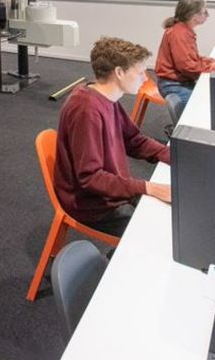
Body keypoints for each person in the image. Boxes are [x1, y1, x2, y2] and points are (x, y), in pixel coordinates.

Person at [55, 37, 172, 238]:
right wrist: (146, 187)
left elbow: (134, 140)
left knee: (172, 214)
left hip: (112, 191)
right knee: (162, 235)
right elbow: (90, 178)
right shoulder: (86, 110)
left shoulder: (108, 99)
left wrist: (174, 155)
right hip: (93, 204)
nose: (145, 78)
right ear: (119, 72)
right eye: (140, 71)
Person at [154, 0, 215, 123]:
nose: (207, 15)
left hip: (179, 81)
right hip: (173, 85)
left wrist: (211, 61)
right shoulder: (180, 34)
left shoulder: (182, 30)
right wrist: (214, 67)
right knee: (200, 115)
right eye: (204, 12)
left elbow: (191, 58)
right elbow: (188, 68)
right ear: (193, 15)